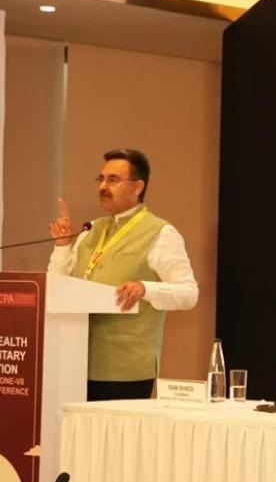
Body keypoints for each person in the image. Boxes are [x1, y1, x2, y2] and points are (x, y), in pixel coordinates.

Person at [47, 149, 198, 401]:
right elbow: (59, 287)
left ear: (138, 187)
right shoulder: (91, 229)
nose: (103, 186)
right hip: (76, 361)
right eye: (101, 179)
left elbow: (189, 293)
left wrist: (145, 289)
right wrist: (62, 245)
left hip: (125, 369)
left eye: (113, 180)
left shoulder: (161, 233)